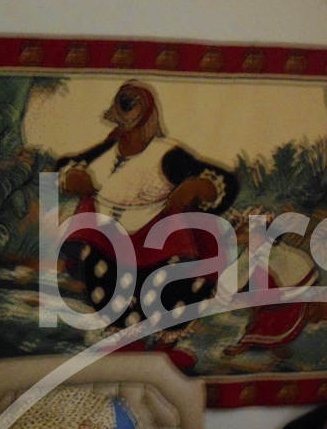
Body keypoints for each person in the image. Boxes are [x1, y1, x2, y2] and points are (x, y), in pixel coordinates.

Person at [55, 81, 238, 366]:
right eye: (122, 103)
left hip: (155, 238)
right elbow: (65, 167)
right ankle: (127, 341)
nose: (124, 110)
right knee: (108, 284)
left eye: (131, 104)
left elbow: (220, 182)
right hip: (107, 236)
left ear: (147, 113)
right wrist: (71, 178)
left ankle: (165, 345)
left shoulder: (167, 153)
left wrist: (196, 186)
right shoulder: (108, 150)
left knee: (168, 286)